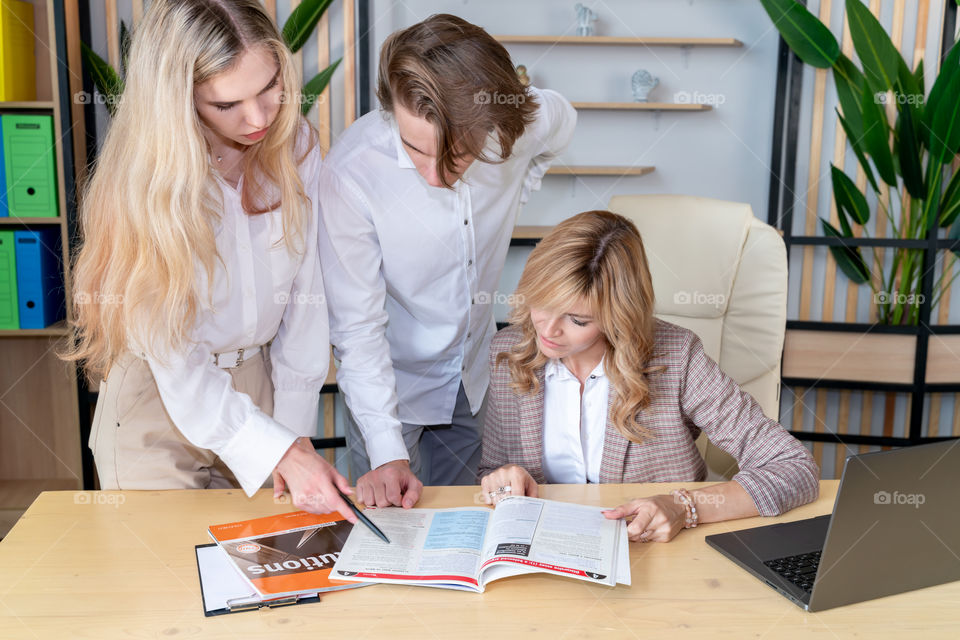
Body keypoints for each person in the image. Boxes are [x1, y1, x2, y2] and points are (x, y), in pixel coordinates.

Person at [66, 0, 355, 521]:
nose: (258, 118)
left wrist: (293, 434)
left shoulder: (300, 149)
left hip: (259, 383)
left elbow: (306, 303)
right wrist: (278, 449)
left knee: (268, 575)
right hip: (157, 397)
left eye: (269, 88)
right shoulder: (145, 185)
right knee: (167, 587)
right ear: (178, 99)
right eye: (227, 104)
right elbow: (177, 361)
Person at [318, 14, 577, 507]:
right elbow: (356, 329)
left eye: (457, 156)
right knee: (391, 540)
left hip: (472, 377)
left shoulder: (519, 121)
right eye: (416, 149)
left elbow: (562, 121)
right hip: (389, 391)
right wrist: (387, 454)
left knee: (469, 526)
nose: (435, 176)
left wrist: (522, 185)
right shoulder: (351, 173)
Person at [479, 210, 819, 542]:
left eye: (578, 320)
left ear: (618, 316)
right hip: (546, 547)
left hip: (656, 553)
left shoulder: (677, 355)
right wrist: (504, 480)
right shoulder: (509, 352)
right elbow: (491, 471)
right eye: (541, 303)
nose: (548, 329)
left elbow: (794, 467)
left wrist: (684, 507)